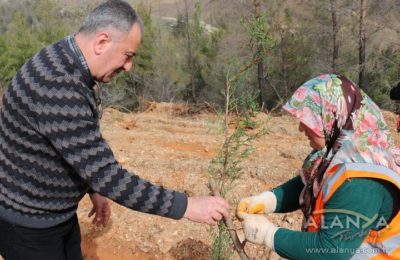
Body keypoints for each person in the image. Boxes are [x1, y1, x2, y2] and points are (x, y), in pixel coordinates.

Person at [0, 1, 229, 259]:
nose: (129, 66)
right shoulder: (59, 86)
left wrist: (92, 188)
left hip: (53, 214)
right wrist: (186, 206)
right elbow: (107, 174)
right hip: (29, 225)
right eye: (128, 55)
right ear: (102, 42)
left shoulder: (68, 59)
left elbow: (77, 144)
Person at [237, 74, 400, 259]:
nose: (301, 128)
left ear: (332, 115)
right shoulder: (343, 151)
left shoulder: (362, 179)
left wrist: (269, 235)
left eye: (309, 118)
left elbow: (330, 252)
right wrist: (268, 200)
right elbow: (311, 184)